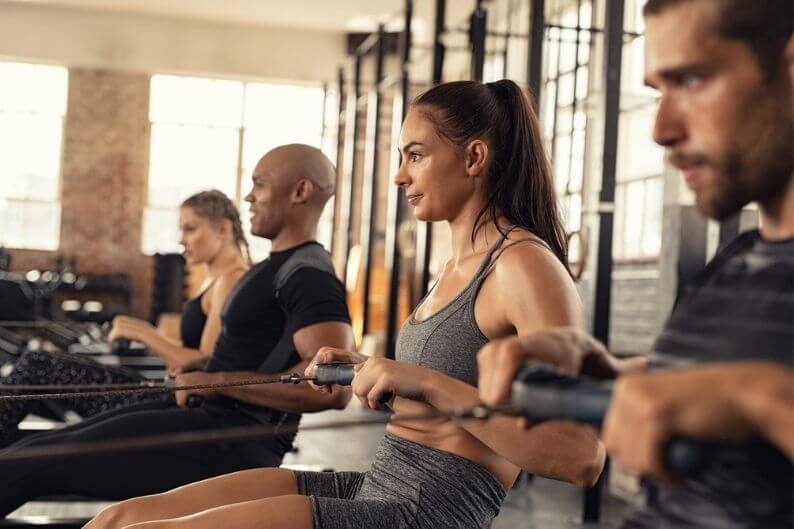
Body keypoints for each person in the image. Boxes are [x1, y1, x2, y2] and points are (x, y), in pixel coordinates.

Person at [88, 80, 605, 529]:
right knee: (123, 517)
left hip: (420, 516)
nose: (400, 175)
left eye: (416, 155)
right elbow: (448, 383)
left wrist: (424, 382)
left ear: (473, 157)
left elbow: (580, 456)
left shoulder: (522, 266)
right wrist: (365, 369)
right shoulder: (451, 267)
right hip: (375, 488)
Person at [477, 1, 793, 527]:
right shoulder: (741, 260)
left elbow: (744, 389)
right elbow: (710, 385)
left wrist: (754, 397)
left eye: (690, 79)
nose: (661, 129)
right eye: (657, 92)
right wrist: (604, 369)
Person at [0, 144, 354, 517]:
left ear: (300, 191)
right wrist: (202, 371)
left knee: (27, 464)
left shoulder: (308, 275)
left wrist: (214, 379)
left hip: (231, 440)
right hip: (201, 414)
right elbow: (241, 354)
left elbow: (330, 389)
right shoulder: (277, 267)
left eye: (259, 185)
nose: (249, 196)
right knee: (27, 452)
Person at [0, 189, 249, 447]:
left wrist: (142, 332)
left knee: (38, 365)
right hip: (165, 392)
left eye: (190, 229)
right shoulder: (216, 280)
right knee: (32, 383)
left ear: (223, 229)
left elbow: (205, 367)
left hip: (170, 404)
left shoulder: (230, 280)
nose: (181, 240)